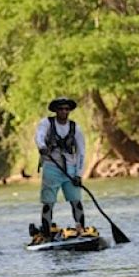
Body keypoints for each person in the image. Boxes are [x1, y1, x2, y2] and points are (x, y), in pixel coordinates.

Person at [35, 97, 86, 238]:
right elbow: (39, 136)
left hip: (71, 169)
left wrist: (79, 174)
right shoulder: (46, 123)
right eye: (60, 109)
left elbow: (81, 152)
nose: (64, 111)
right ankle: (46, 233)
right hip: (51, 167)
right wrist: (42, 147)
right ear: (55, 111)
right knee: (48, 203)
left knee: (76, 201)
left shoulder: (75, 128)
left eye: (66, 109)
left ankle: (80, 229)